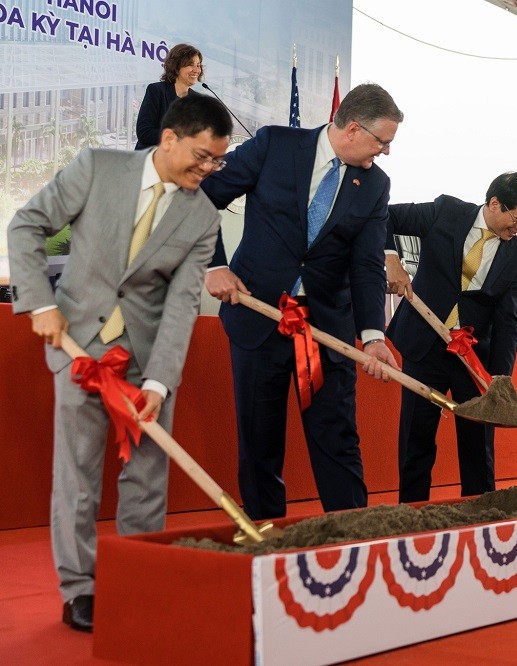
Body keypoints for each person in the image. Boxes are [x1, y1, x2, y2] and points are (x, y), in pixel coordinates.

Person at [6, 94, 232, 632]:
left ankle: (138, 574)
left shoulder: (202, 217)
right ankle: (80, 590)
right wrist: (40, 303)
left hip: (147, 357)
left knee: (148, 478)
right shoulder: (96, 169)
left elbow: (180, 304)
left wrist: (159, 380)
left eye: (218, 160)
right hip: (78, 347)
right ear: (169, 138)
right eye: (201, 156)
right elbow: (25, 226)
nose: (209, 168)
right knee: (78, 476)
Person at [201, 83, 403, 520]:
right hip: (258, 317)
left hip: (326, 329)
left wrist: (372, 336)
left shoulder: (374, 185)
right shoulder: (275, 145)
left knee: (338, 438)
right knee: (259, 440)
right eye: (382, 141)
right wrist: (213, 265)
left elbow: (367, 264)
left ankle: (352, 537)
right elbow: (202, 195)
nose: (385, 152)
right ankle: (267, 537)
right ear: (352, 129)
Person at [383, 172, 517, 502]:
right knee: (416, 437)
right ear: (495, 204)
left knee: (478, 445)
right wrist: (390, 258)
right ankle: (412, 513)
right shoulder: (446, 212)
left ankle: (480, 516)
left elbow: (508, 321)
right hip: (424, 345)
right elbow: (386, 215)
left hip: (472, 355)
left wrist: (499, 378)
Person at [135, 44, 204, 150]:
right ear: (176, 67)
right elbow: (144, 133)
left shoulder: (198, 101)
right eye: (191, 64)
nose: (196, 70)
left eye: (198, 65)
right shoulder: (157, 90)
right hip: (151, 159)